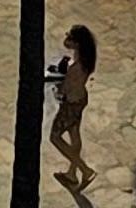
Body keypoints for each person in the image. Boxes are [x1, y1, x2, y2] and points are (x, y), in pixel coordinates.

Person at [47, 22, 96, 193]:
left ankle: (85, 170)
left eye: (70, 39)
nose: (67, 40)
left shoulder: (76, 68)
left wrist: (56, 83)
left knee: (55, 137)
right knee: (74, 134)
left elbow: (63, 89)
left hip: (70, 105)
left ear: (77, 43)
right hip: (80, 100)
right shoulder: (85, 58)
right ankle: (71, 174)